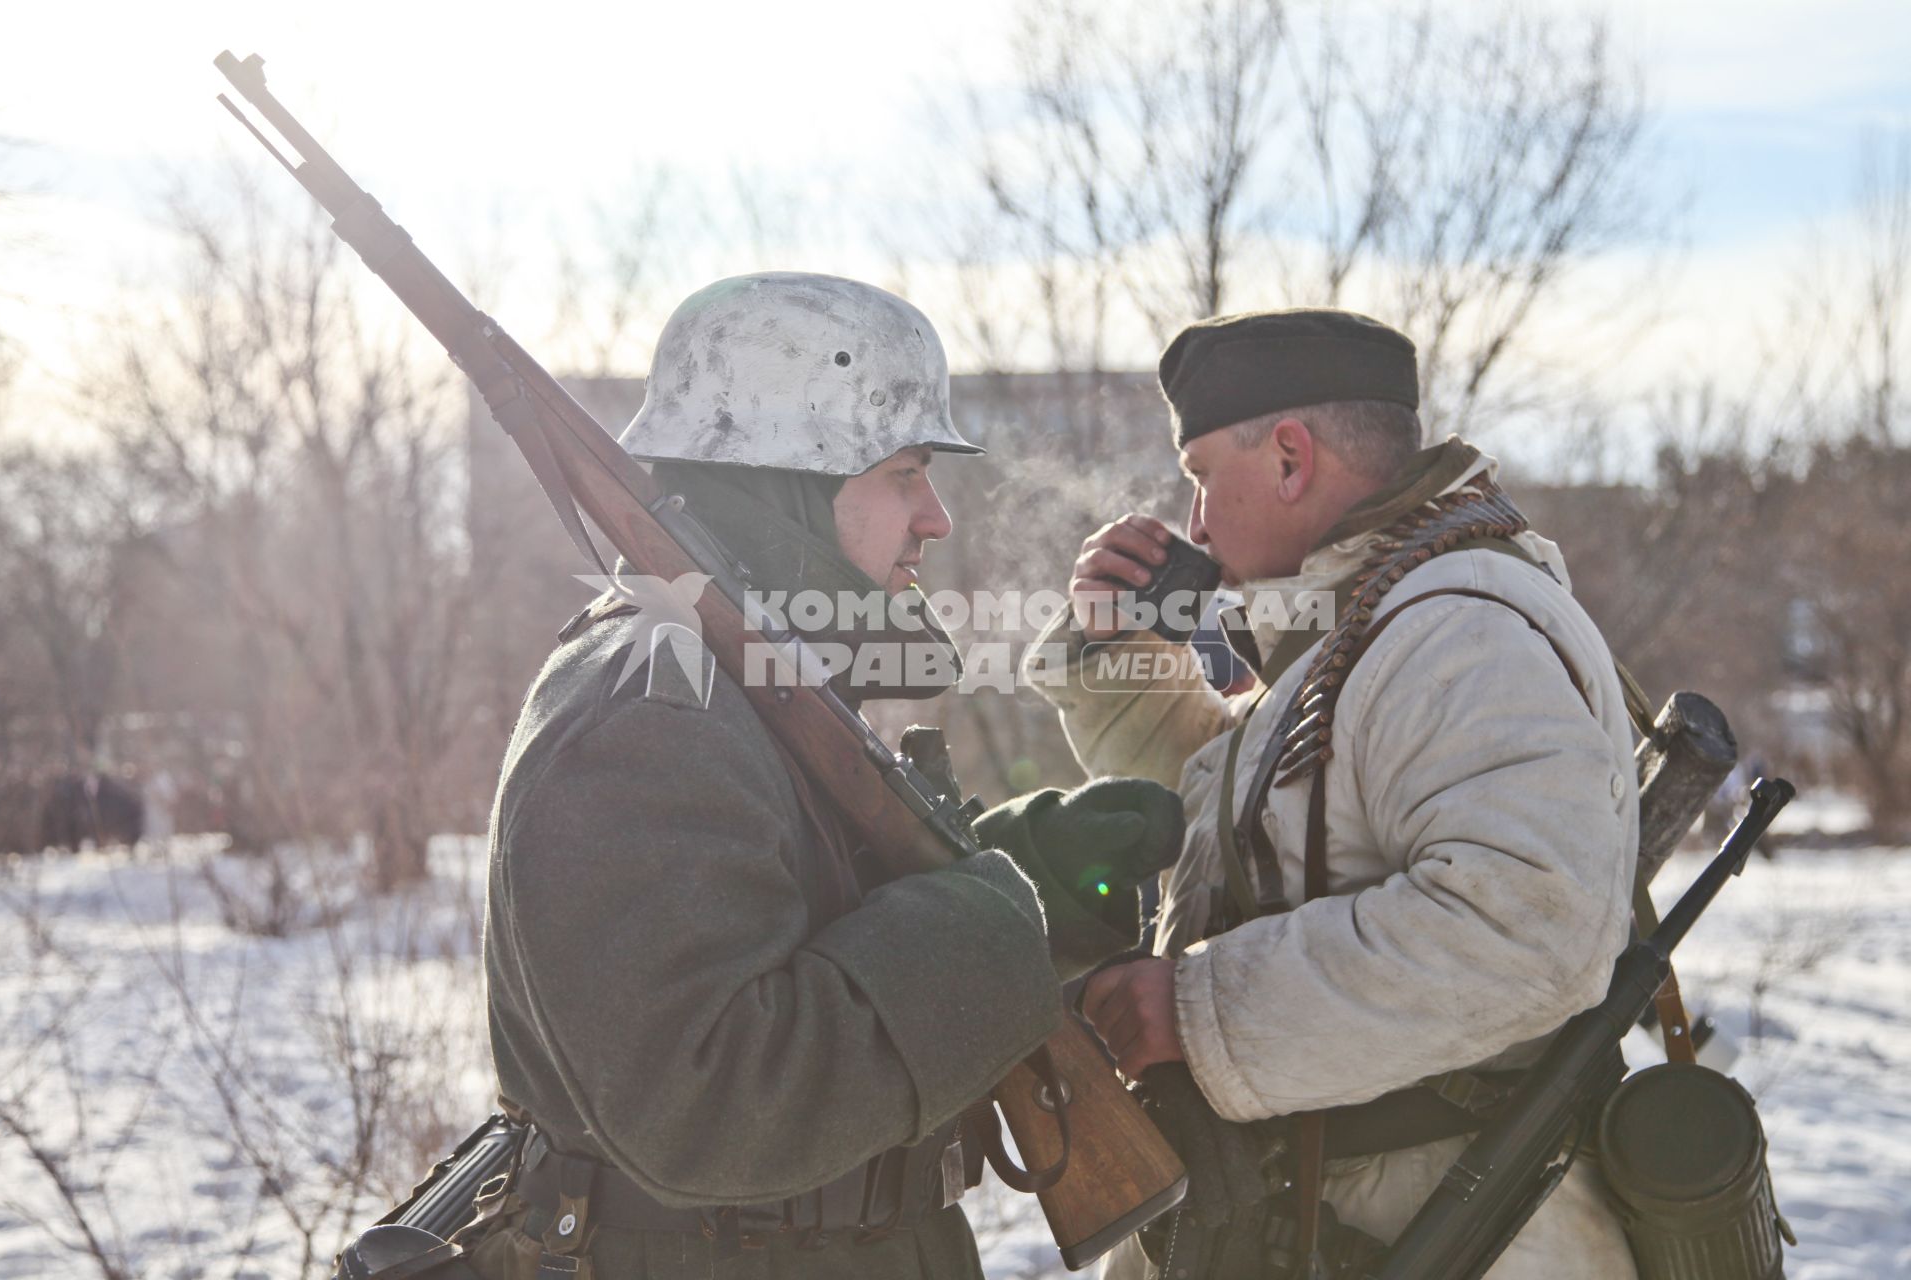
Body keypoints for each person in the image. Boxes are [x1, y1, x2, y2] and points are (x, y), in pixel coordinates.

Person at [471, 272, 1180, 1280]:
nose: (934, 517)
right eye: (903, 472)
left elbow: (802, 914)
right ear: (788, 484)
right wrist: (984, 928)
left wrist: (1021, 871)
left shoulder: (748, 682)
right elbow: (705, 1098)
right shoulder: (649, 708)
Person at [1026, 308, 1641, 1278]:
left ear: (1286, 457)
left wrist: (1198, 1009)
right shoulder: (1375, 623)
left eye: (1200, 480)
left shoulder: (1455, 629)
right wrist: (1116, 654)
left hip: (1443, 1240)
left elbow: (1525, 924)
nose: (1193, 524)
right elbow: (1242, 821)